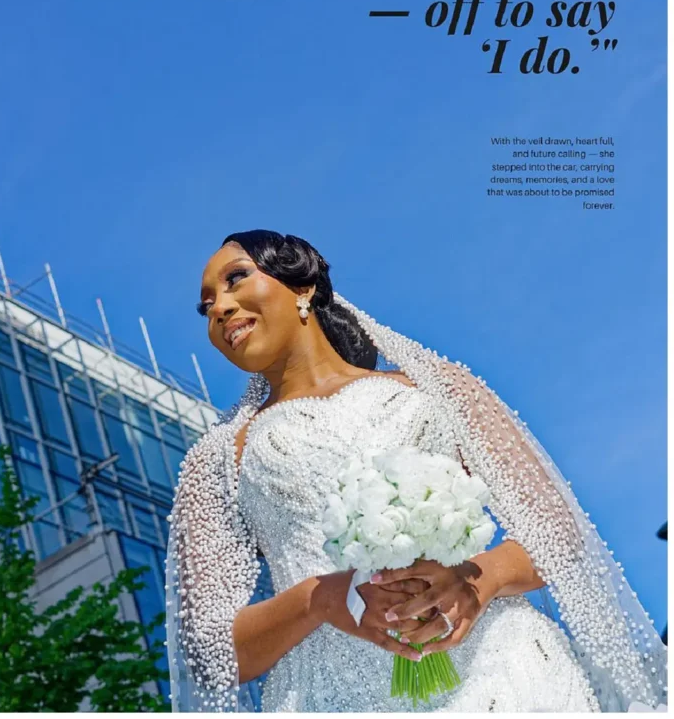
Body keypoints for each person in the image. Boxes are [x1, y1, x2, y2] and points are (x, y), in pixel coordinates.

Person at [165, 230, 666, 713]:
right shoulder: (218, 458)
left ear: (303, 285)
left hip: (505, 676)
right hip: (331, 698)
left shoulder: (436, 390)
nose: (219, 309)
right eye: (206, 306)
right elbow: (211, 654)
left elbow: (556, 532)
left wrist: (478, 576)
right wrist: (319, 599)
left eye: (235, 280)